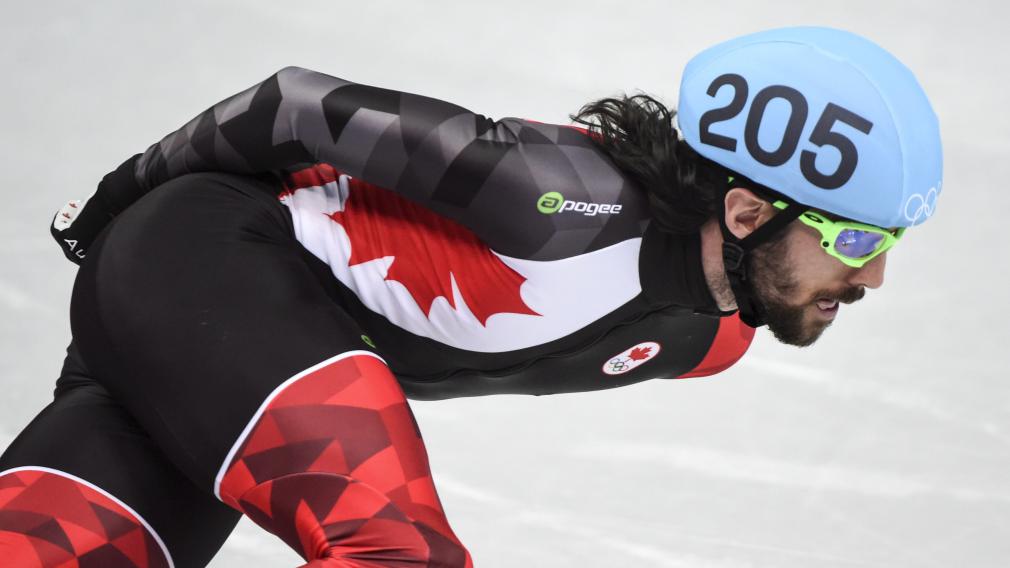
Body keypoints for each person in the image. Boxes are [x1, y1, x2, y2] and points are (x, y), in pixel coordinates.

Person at [0, 26, 941, 567]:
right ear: (744, 211)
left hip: (213, 347)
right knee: (391, 546)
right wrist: (108, 210)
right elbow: (291, 104)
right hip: (206, 254)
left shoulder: (714, 338)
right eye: (857, 240)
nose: (874, 277)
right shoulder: (555, 195)